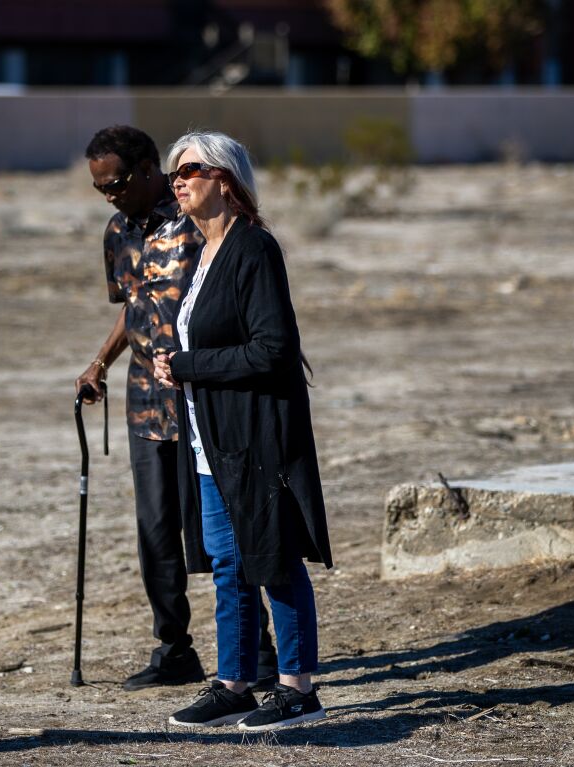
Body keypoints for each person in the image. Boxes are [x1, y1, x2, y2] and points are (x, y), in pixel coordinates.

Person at [76, 125, 277, 692]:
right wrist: (99, 363)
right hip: (146, 402)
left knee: (222, 529)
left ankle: (257, 650)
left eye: (114, 182)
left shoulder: (195, 220)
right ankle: (174, 649)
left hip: (203, 397)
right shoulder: (118, 232)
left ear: (146, 169)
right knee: (156, 531)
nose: (108, 195)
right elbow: (134, 307)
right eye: (98, 188)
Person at [153, 131, 333, 731]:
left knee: (272, 556)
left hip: (254, 433)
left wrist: (187, 365)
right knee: (229, 564)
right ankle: (234, 684)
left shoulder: (254, 249)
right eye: (173, 173)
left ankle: (298, 688)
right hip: (211, 439)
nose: (177, 181)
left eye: (189, 170)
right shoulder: (200, 253)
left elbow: (273, 350)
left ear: (225, 178)